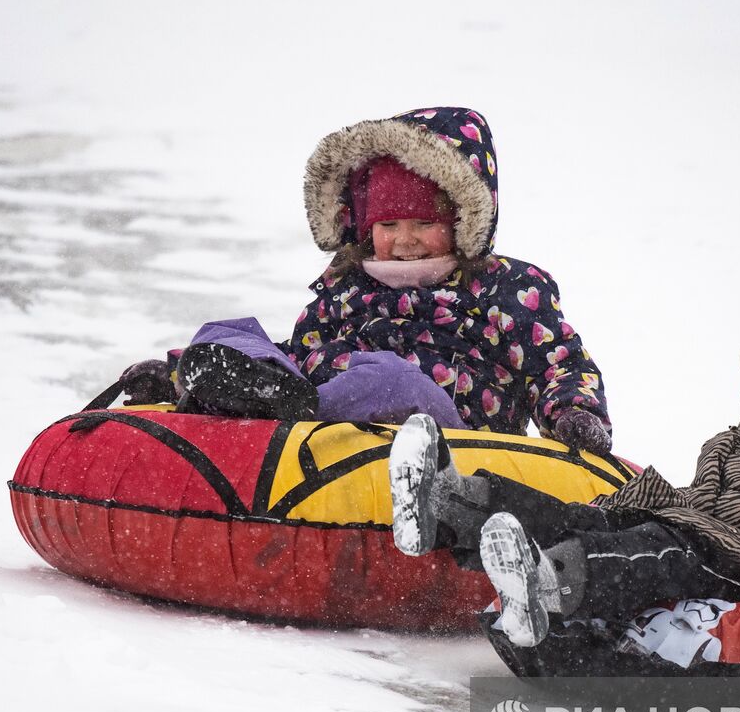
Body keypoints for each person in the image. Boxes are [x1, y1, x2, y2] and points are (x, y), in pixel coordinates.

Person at [388, 255, 740, 647]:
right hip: (705, 537)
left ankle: (550, 583)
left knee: (659, 551)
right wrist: (627, 504)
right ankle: (452, 504)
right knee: (588, 520)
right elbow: (702, 503)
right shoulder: (736, 443)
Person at [118, 107, 613, 456]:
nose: (405, 241)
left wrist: (573, 414)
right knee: (234, 338)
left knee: (389, 378)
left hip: (451, 441)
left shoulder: (507, 289)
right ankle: (223, 383)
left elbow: (558, 363)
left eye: (424, 224)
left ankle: (296, 414)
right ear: (364, 227)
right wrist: (178, 371)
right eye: (389, 225)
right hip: (335, 438)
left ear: (462, 221)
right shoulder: (347, 287)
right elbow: (303, 350)